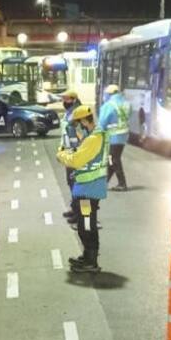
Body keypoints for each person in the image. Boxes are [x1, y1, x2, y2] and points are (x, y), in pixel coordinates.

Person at [55, 104, 107, 273]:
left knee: (86, 225)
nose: (77, 127)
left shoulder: (93, 139)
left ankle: (90, 261)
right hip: (91, 188)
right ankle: (87, 256)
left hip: (87, 191)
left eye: (78, 123)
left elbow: (76, 161)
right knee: (86, 224)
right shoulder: (97, 135)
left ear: (85, 120)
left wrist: (61, 155)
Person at [98, 84, 130, 191]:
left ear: (109, 94)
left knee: (114, 159)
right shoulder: (126, 103)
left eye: (105, 94)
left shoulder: (108, 105)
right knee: (111, 158)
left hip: (113, 136)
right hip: (123, 135)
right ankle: (104, 182)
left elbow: (102, 122)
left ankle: (122, 184)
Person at [58, 90, 82, 226]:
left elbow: (80, 135)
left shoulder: (78, 113)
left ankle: (80, 215)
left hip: (75, 153)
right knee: (71, 182)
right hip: (68, 152)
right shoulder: (70, 112)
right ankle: (74, 209)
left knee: (77, 184)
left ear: (73, 99)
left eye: (66, 99)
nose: (64, 102)